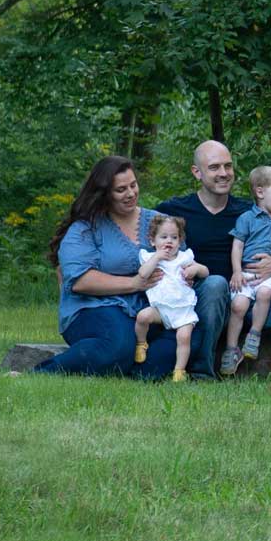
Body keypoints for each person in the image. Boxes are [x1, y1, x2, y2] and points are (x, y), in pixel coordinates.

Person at [156, 140, 271, 386]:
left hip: (249, 296)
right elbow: (149, 249)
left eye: (228, 166)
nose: (224, 173)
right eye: (214, 167)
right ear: (197, 172)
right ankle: (202, 373)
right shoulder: (174, 211)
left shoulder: (251, 212)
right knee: (216, 283)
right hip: (200, 302)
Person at [33, 156, 208, 379]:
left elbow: (179, 257)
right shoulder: (85, 228)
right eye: (121, 189)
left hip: (150, 307)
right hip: (94, 307)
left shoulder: (159, 222)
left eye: (133, 185)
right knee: (119, 343)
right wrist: (134, 283)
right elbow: (79, 281)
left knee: (190, 333)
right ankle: (44, 372)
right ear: (104, 193)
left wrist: (186, 274)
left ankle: (133, 372)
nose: (131, 193)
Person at [221, 165, 271, 375]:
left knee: (264, 294)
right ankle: (231, 348)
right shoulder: (247, 218)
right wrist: (237, 272)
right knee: (238, 305)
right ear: (260, 192)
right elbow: (237, 246)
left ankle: (254, 336)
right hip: (247, 272)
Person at [134, 214, 198, 383]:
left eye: (174, 237)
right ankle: (142, 343)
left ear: (180, 240)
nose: (169, 241)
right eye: (163, 237)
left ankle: (179, 371)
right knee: (142, 317)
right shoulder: (150, 258)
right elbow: (142, 274)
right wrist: (157, 257)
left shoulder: (184, 258)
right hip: (160, 309)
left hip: (183, 310)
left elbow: (205, 271)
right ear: (153, 241)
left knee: (184, 337)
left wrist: (196, 269)